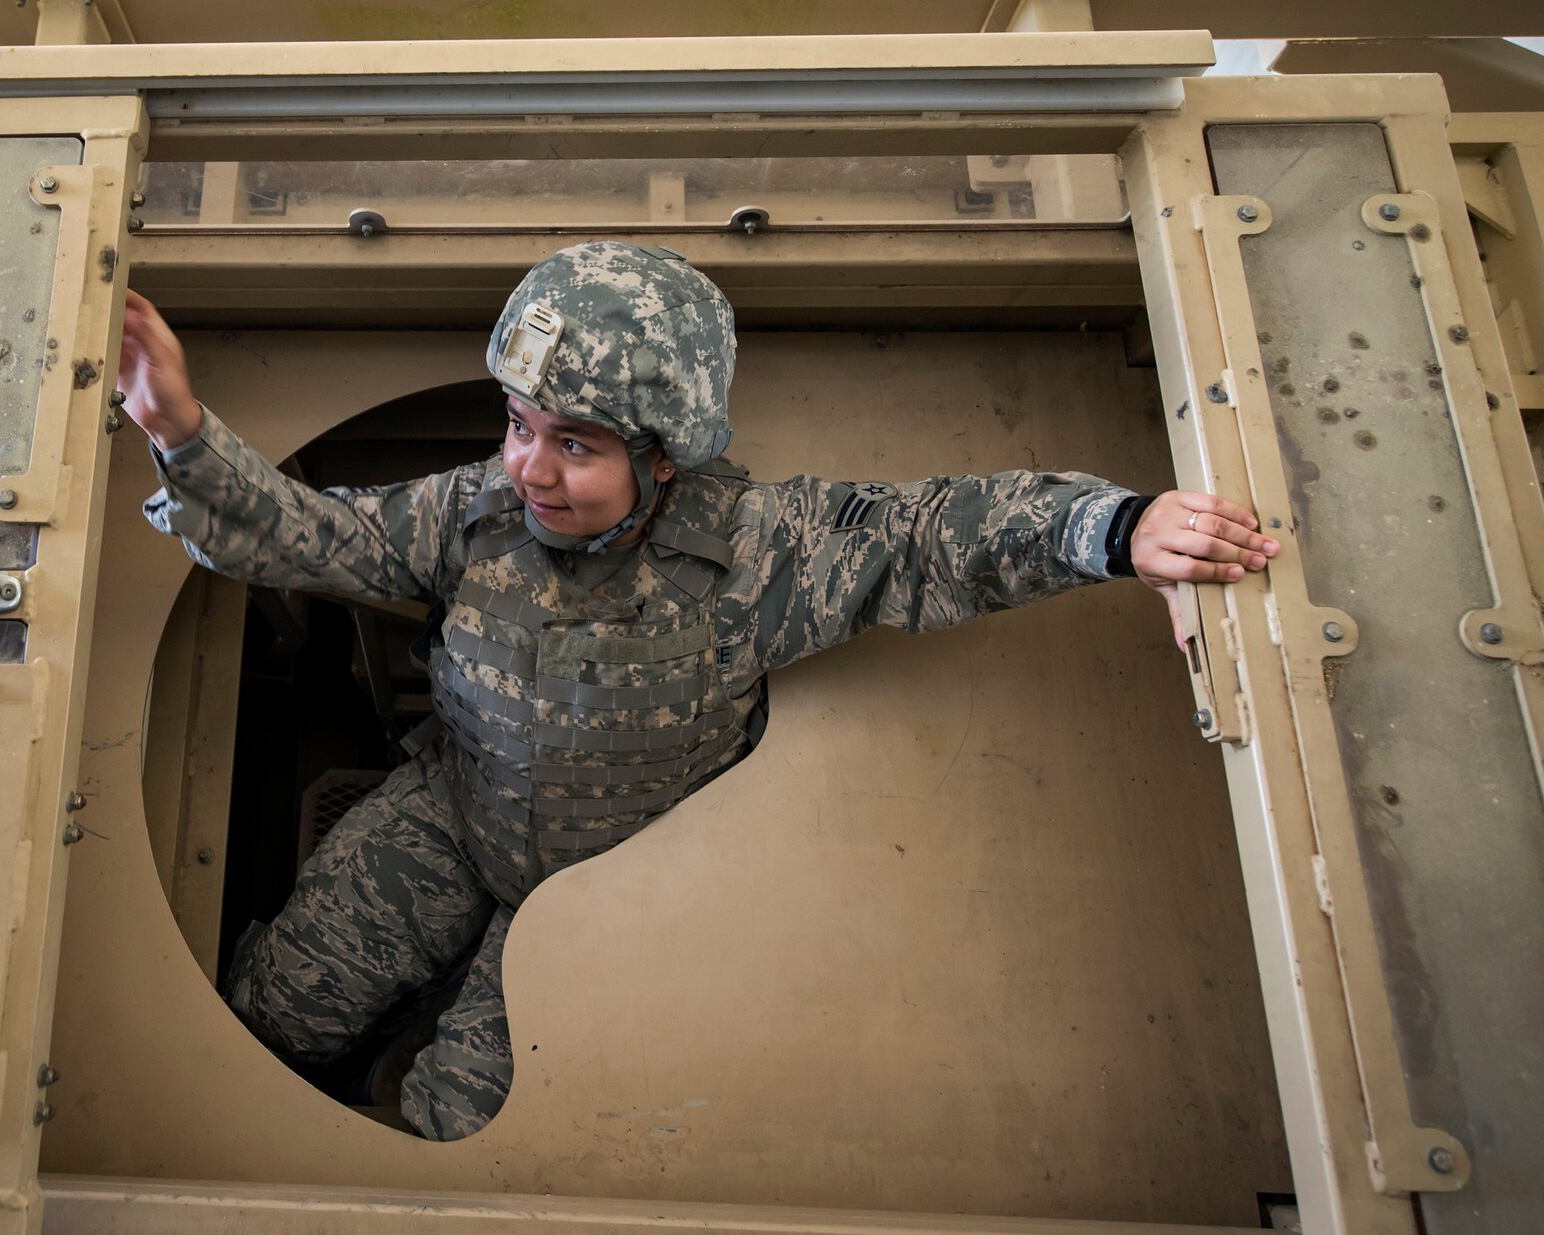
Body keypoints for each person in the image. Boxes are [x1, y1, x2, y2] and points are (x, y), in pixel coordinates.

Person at [118, 241, 1277, 1142]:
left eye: (574, 445)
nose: (528, 467)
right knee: (269, 1019)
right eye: (518, 426)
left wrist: (1117, 528)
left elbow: (931, 537)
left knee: (457, 1122)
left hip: (616, 880)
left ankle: (403, 1066)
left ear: (662, 454)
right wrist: (179, 433)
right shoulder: (470, 510)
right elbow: (312, 537)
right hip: (452, 818)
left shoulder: (757, 552)